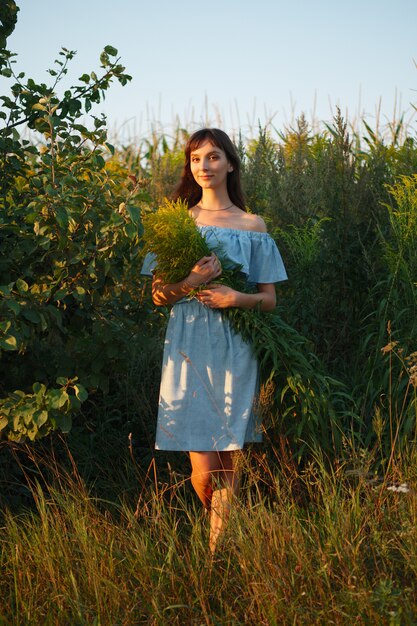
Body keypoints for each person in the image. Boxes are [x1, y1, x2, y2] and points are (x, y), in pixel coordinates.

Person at [142, 128, 287, 553]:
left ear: (230, 163)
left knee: (229, 456)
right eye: (196, 159)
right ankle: (218, 530)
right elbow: (157, 296)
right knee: (203, 469)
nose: (204, 167)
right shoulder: (176, 223)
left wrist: (233, 297)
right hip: (187, 346)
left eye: (213, 157)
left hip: (235, 345)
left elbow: (269, 301)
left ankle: (215, 555)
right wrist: (193, 280)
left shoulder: (252, 226)